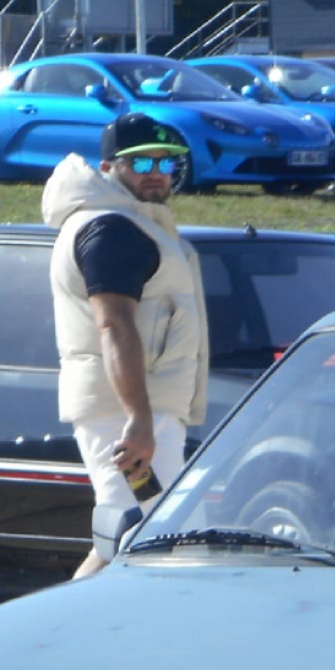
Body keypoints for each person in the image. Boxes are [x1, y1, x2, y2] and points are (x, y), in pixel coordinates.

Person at [42, 113, 209, 577]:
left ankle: (70, 636)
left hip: (142, 406)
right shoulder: (111, 228)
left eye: (166, 162)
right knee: (141, 534)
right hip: (128, 410)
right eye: (141, 162)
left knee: (146, 532)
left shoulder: (132, 223)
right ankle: (62, 638)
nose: (156, 172)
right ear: (109, 167)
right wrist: (137, 419)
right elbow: (114, 325)